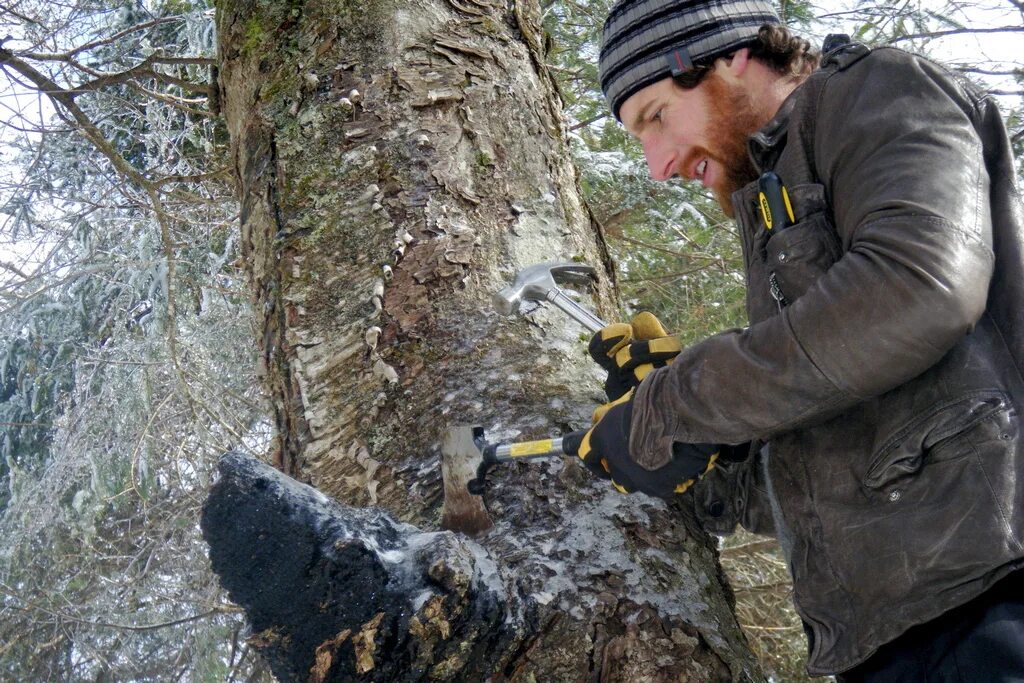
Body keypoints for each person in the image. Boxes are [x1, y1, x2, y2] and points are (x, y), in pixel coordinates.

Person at [576, 0, 1024, 679]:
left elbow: (922, 286)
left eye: (656, 117)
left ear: (729, 58)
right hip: (888, 642)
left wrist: (680, 403)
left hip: (996, 599)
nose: (658, 165)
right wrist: (693, 463)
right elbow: (818, 470)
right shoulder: (772, 200)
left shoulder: (880, 90)